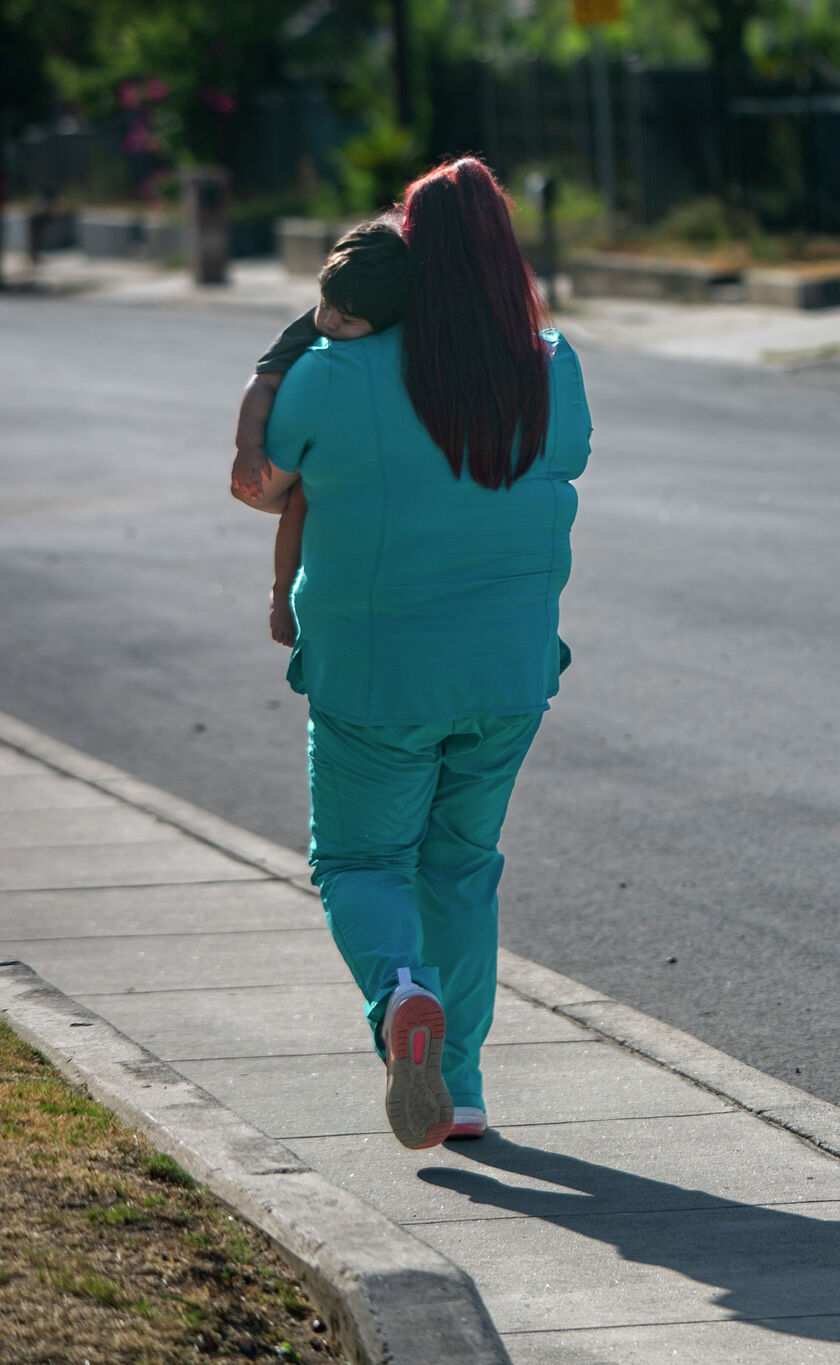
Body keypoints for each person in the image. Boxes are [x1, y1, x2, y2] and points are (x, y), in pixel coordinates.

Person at [231, 158, 592, 1149]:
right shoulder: (550, 363)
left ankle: (400, 997)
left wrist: (280, 366)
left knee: (359, 858)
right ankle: (463, 1085)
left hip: (376, 674)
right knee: (460, 867)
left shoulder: (335, 373)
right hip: (511, 672)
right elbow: (565, 462)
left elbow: (263, 485)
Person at [229, 219, 413, 646]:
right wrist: (249, 448)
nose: (328, 321)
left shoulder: (394, 341)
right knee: (299, 501)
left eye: (346, 319)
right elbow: (261, 384)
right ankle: (280, 594)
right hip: (302, 455)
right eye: (324, 303)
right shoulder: (307, 333)